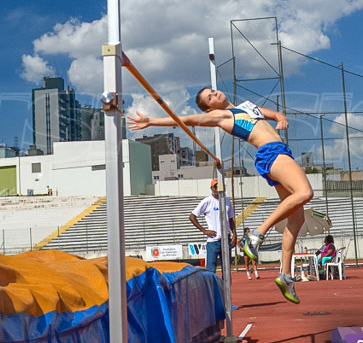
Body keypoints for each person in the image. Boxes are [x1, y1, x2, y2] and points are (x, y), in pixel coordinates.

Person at [128, 88, 313, 303]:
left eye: (213, 91)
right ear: (209, 108)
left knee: (296, 217)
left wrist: (281, 118)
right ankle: (256, 234)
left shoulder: (245, 106)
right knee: (305, 192)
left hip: (280, 152)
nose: (215, 94)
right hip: (271, 153)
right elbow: (185, 119)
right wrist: (151, 121)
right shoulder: (222, 116)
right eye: (210, 97)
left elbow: (273, 115)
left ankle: (286, 275)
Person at [189, 179, 236, 276]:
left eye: (219, 186)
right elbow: (192, 216)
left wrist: (235, 234)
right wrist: (204, 231)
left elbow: (231, 219)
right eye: (215, 186)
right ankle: (212, 290)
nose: (217, 188)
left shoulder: (227, 201)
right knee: (211, 271)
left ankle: (225, 290)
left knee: (227, 270)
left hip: (226, 239)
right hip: (213, 241)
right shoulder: (207, 201)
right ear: (211, 188)